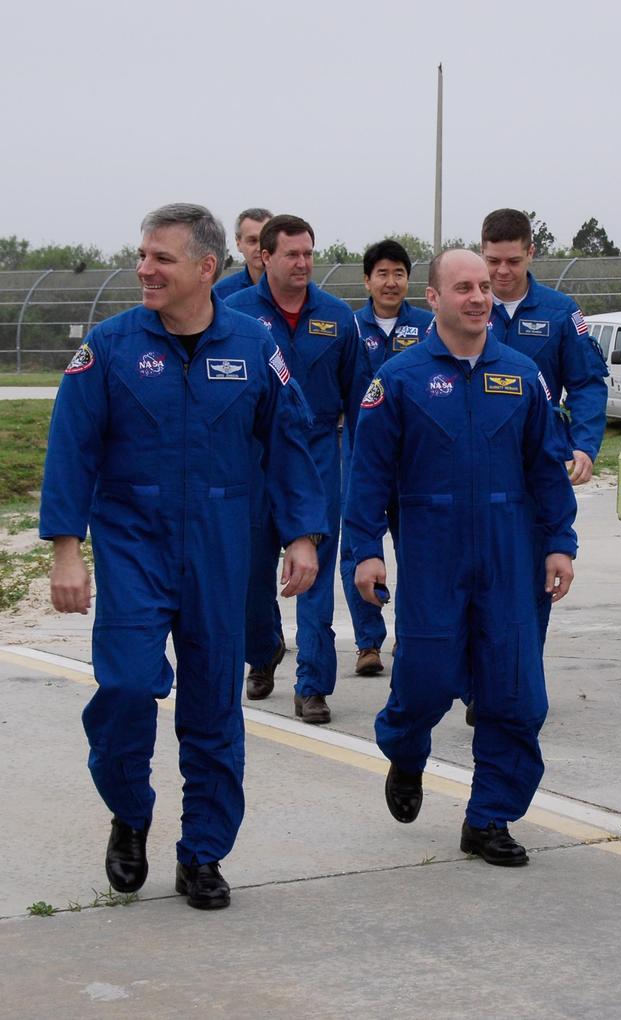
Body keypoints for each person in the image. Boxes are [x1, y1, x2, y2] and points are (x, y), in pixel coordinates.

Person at [41, 203, 326, 910]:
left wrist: (302, 535)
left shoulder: (255, 348)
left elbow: (291, 442)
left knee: (212, 710)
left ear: (206, 268)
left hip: (224, 545)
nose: (144, 269)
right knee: (129, 687)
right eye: (141, 255)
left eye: (160, 258)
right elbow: (71, 449)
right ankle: (130, 810)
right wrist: (67, 552)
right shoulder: (108, 348)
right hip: (134, 542)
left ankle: (202, 854)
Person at [345, 249, 576, 867]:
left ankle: (489, 816)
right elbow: (367, 477)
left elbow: (546, 469)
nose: (478, 297)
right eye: (464, 287)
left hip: (509, 558)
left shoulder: (522, 375)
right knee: (424, 683)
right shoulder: (399, 379)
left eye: (484, 287)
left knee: (514, 695)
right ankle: (405, 749)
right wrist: (365, 551)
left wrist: (559, 542)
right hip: (432, 555)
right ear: (434, 299)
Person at [226, 214, 365, 725]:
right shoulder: (233, 312)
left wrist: (362, 466)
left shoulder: (337, 317)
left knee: (314, 574)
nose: (304, 263)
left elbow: (360, 398)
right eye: (292, 254)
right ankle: (262, 652)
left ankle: (313, 684)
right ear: (265, 257)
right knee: (250, 573)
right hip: (255, 459)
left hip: (317, 456)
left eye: (309, 253)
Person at [481, 208, 606, 645]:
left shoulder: (559, 313)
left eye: (513, 261)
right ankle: (483, 677)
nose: (501, 271)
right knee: (479, 572)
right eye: (493, 260)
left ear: (531, 253)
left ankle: (520, 675)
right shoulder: (465, 308)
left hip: (538, 464)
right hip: (475, 462)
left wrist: (585, 446)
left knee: (538, 569)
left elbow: (588, 383)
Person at [340, 239, 435, 678]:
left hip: (417, 462)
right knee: (360, 548)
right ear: (367, 280)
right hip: (362, 458)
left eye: (398, 273)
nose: (391, 282)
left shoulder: (432, 326)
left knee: (418, 548)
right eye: (382, 273)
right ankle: (367, 642)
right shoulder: (348, 328)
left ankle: (412, 634)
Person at [212, 208, 272, 300]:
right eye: (252, 241)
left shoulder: (295, 289)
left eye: (265, 239)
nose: (260, 248)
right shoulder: (221, 293)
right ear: (238, 243)